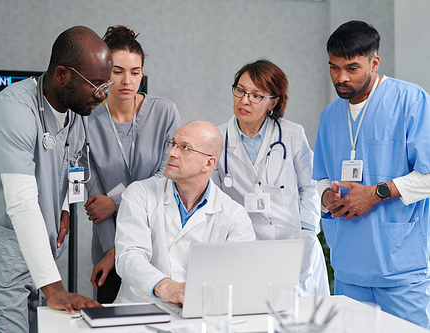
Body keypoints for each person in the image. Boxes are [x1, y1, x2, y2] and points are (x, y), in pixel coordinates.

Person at [0, 26, 113, 332]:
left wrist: (65, 209)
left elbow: (72, 168)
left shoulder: (74, 114)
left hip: (37, 256)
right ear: (62, 74)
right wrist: (54, 288)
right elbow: (22, 205)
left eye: (105, 84)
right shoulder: (12, 111)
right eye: (95, 84)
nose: (102, 94)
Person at [313, 20, 430, 328]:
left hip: (399, 267)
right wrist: (327, 196)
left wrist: (375, 193)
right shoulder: (329, 117)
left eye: (352, 68)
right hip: (349, 267)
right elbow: (321, 177)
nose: (341, 78)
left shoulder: (410, 101)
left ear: (374, 62)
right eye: (334, 68)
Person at [81, 25, 182, 303]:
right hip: (108, 242)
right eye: (117, 71)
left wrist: (115, 201)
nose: (127, 80)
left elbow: (166, 176)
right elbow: (94, 200)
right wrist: (113, 250)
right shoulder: (86, 119)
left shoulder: (164, 112)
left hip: (158, 239)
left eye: (135, 72)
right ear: (104, 73)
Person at [212, 60, 330, 296]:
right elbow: (213, 195)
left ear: (273, 102)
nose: (244, 100)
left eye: (256, 95)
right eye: (240, 90)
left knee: (300, 318)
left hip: (292, 242)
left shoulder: (292, 134)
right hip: (242, 246)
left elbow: (310, 186)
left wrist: (307, 229)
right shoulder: (217, 138)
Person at [114, 121, 256, 303]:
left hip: (199, 312)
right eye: (173, 144)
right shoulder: (139, 193)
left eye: (185, 148)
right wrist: (166, 287)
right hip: (140, 310)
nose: (171, 153)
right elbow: (129, 256)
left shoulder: (234, 216)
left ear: (208, 163)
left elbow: (238, 273)